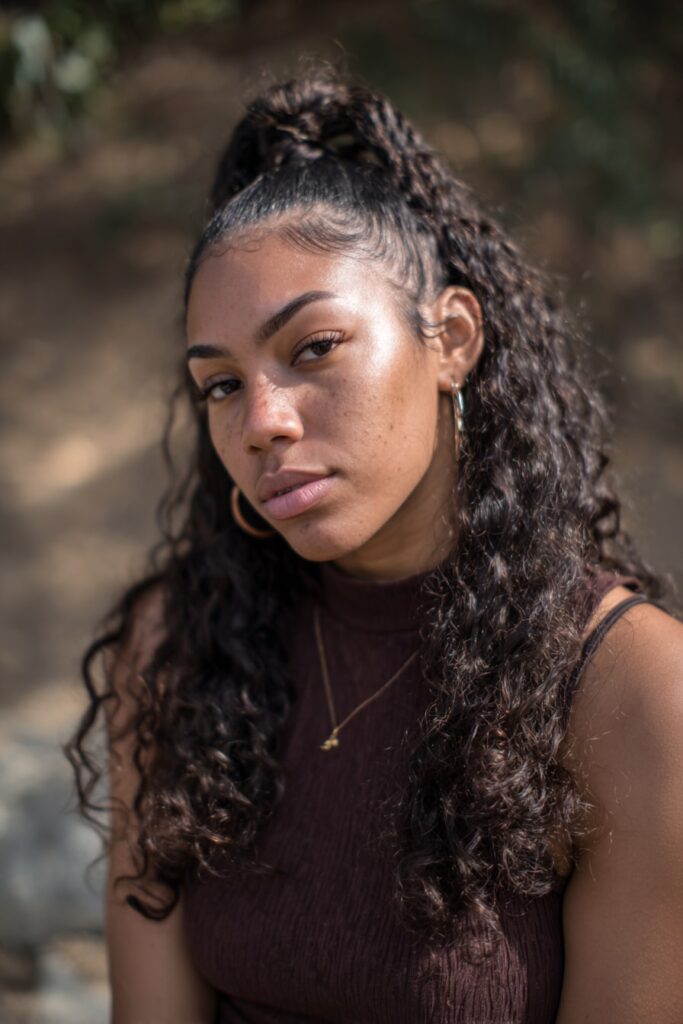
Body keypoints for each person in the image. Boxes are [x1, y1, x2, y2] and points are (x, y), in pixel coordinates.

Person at [65, 69, 683, 1024]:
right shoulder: (181, 646)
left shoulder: (628, 691)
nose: (262, 423)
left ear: (452, 340)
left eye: (314, 348)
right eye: (221, 385)